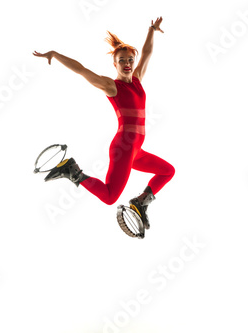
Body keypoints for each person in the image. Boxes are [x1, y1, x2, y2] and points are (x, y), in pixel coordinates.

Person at [32, 17, 174, 229]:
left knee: (167, 171)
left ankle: (140, 202)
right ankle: (73, 171)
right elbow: (82, 70)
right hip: (124, 147)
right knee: (109, 197)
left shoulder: (137, 80)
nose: (127, 64)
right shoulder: (112, 86)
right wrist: (55, 54)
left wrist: (152, 30)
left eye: (129, 60)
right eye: (122, 60)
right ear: (114, 63)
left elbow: (146, 54)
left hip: (136, 150)